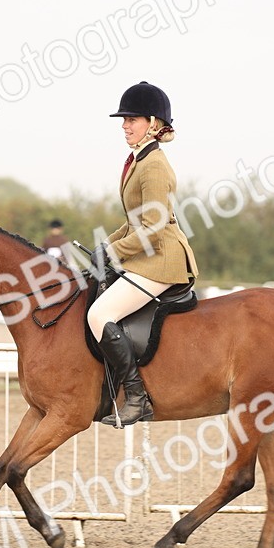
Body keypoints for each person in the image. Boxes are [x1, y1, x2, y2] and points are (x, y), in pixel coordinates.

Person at [88, 81, 199, 428]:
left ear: (153, 123)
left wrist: (115, 252)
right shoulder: (140, 159)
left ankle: (136, 398)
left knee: (99, 314)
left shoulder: (152, 165)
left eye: (132, 119)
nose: (125, 125)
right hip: (150, 254)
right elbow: (134, 220)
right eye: (123, 120)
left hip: (161, 261)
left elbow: (151, 224)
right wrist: (106, 246)